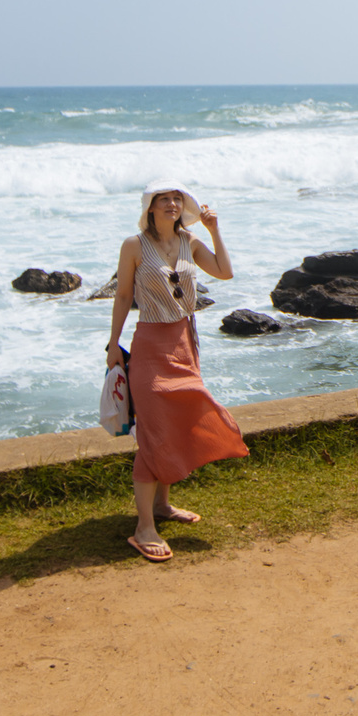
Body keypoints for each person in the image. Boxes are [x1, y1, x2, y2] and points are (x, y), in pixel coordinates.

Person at [104, 184, 248, 561]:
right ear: (150, 208)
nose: (171, 204)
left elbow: (225, 272)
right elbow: (123, 296)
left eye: (177, 199)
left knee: (176, 424)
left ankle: (162, 506)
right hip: (150, 345)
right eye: (163, 199)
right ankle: (143, 528)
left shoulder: (190, 241)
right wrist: (113, 345)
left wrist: (214, 230)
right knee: (153, 431)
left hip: (184, 342)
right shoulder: (133, 246)